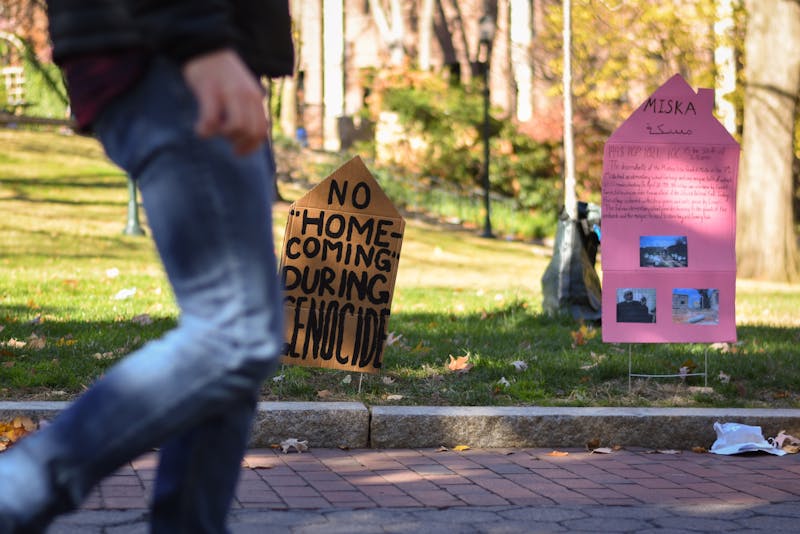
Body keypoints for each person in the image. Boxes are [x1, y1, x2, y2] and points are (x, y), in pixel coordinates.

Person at [0, 1, 293, 532]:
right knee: (237, 331)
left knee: (235, 356)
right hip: (171, 49)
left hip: (187, 49)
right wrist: (201, 41)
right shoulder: (192, 47)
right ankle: (15, 491)